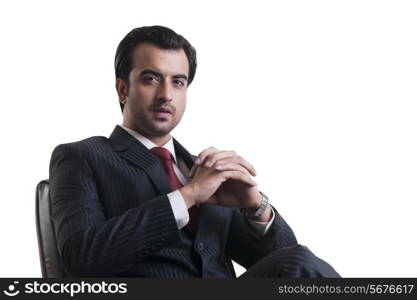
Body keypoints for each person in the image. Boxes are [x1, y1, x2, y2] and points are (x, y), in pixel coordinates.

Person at [49, 25, 340, 278]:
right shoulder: (82, 157)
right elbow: (80, 260)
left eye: (178, 82)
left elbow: (288, 269)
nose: (166, 94)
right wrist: (188, 196)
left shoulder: (203, 169)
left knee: (299, 262)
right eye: (151, 79)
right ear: (123, 90)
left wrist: (256, 208)